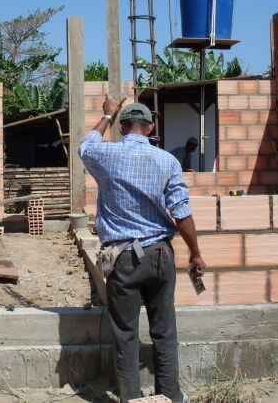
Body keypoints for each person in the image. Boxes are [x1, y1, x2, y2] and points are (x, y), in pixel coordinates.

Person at [79, 96, 206, 402]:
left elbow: (85, 147)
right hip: (160, 254)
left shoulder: (107, 155)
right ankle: (171, 396)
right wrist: (195, 252)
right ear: (151, 127)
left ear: (122, 127)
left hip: (125, 257)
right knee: (164, 332)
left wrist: (107, 115)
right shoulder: (168, 161)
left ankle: (132, 398)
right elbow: (181, 211)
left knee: (126, 336)